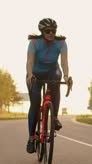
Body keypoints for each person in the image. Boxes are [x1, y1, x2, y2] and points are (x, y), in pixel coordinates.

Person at [25, 18, 70, 153]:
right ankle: (32, 137)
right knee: (35, 103)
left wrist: (67, 77)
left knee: (57, 79)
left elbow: (64, 63)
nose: (51, 33)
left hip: (52, 72)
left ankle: (54, 117)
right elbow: (30, 62)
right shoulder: (34, 43)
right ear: (42, 32)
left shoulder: (61, 43)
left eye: (53, 31)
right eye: (48, 31)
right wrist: (29, 74)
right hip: (36, 74)